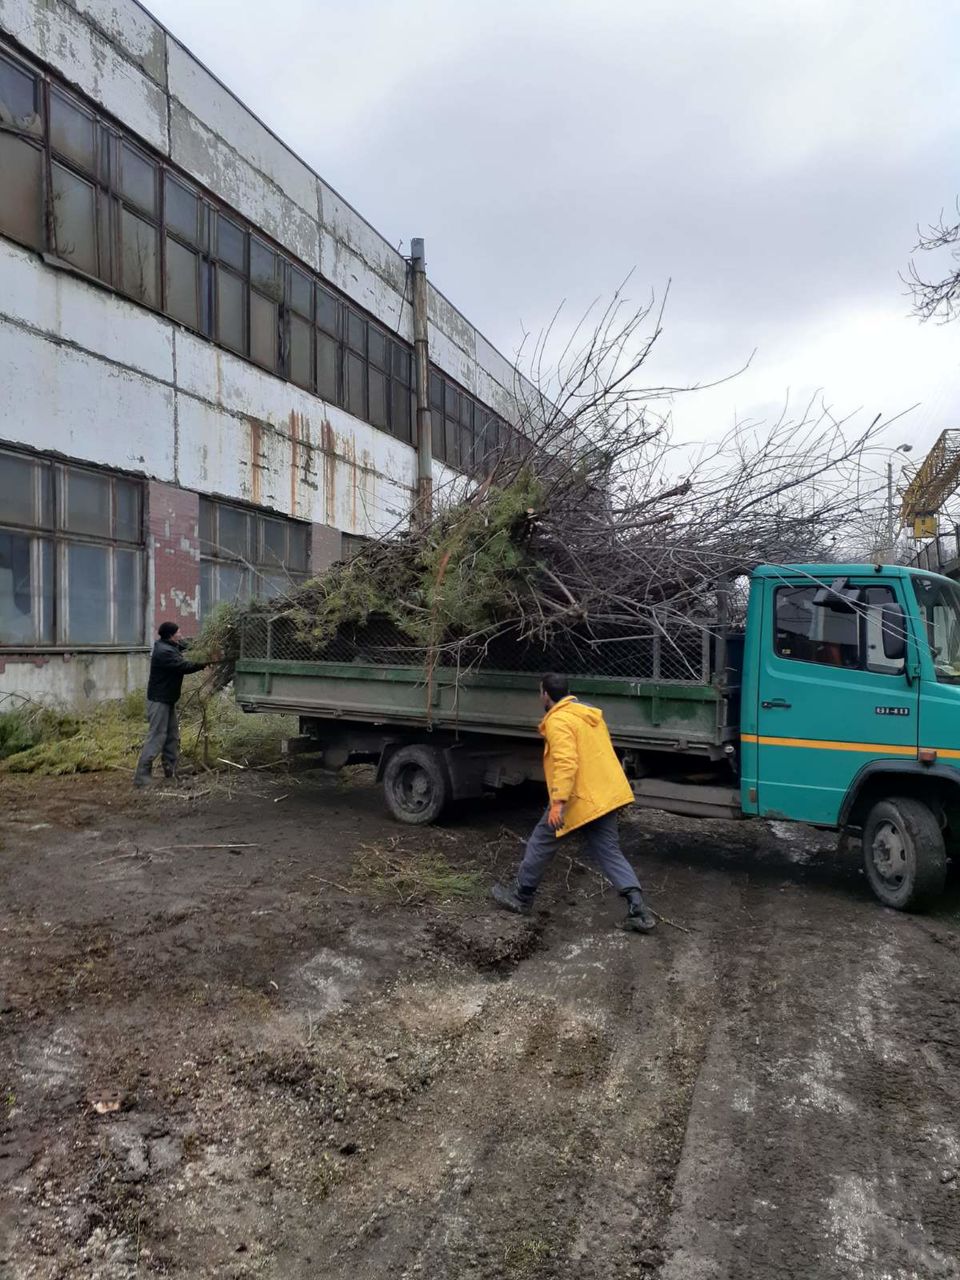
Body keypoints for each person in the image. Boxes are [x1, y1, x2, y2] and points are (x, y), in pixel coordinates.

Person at [491, 673, 656, 933]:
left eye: (539, 692)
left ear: (545, 694)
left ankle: (521, 896)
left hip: (577, 797)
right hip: (604, 795)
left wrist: (558, 803)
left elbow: (566, 763)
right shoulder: (586, 714)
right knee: (609, 852)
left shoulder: (559, 721)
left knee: (541, 841)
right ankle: (638, 910)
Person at [133, 621, 210, 788]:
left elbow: (186, 644)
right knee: (157, 737)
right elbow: (183, 666)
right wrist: (204, 663)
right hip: (159, 701)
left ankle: (171, 770)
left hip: (168, 699)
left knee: (172, 736)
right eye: (178, 632)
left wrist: (207, 640)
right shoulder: (163, 652)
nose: (180, 635)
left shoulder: (169, 645)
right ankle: (142, 777)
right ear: (170, 635)